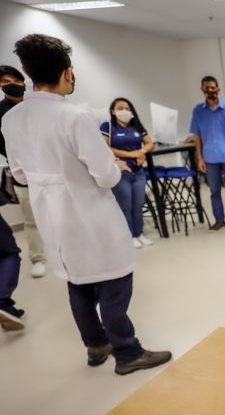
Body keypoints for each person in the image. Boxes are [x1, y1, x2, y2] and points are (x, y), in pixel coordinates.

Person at [2, 34, 171, 374]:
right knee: (114, 280)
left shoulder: (12, 119)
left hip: (51, 215)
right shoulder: (75, 118)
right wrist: (111, 166)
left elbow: (19, 175)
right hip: (89, 214)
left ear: (27, 71)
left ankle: (95, 345)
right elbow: (106, 177)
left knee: (77, 281)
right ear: (67, 73)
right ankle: (127, 353)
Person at [0, 64, 47, 279]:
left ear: (22, 80)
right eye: (4, 83)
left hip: (51, 169)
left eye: (14, 80)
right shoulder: (1, 113)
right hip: (24, 174)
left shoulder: (38, 104)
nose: (10, 85)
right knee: (32, 219)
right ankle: (37, 258)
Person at [190, 76, 225, 233]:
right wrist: (200, 158)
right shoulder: (198, 111)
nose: (210, 90)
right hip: (209, 158)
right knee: (214, 191)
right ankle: (219, 220)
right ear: (202, 90)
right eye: (207, 88)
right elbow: (197, 136)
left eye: (213, 88)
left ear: (218, 89)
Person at [101, 97, 154, 248]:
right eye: (120, 108)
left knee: (138, 205)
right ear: (113, 111)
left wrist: (142, 151)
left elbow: (150, 143)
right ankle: (130, 236)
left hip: (138, 173)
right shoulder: (108, 127)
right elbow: (104, 147)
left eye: (127, 108)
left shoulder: (136, 126)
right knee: (126, 206)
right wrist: (132, 155)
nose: (124, 111)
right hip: (120, 173)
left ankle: (139, 234)